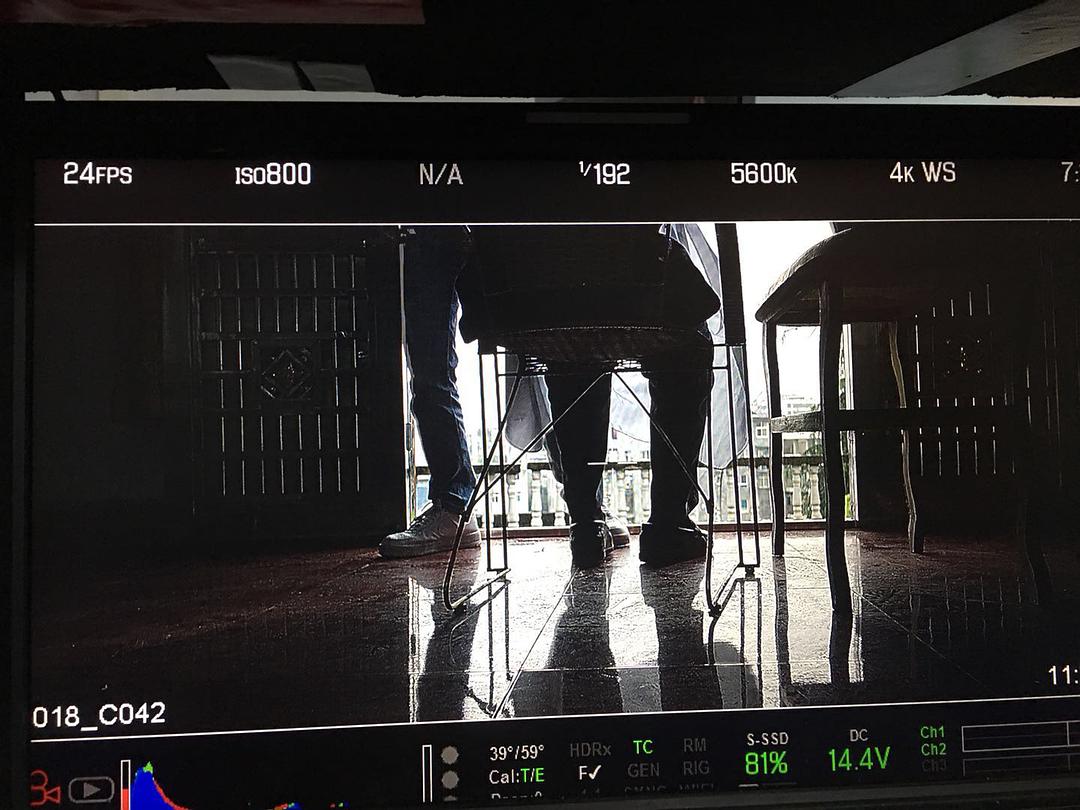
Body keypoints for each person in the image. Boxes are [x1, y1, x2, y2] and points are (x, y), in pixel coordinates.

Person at [380, 227, 629, 559]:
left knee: (543, 351)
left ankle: (582, 503)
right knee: (434, 369)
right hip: (451, 220)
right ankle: (580, 505)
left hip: (474, 219)